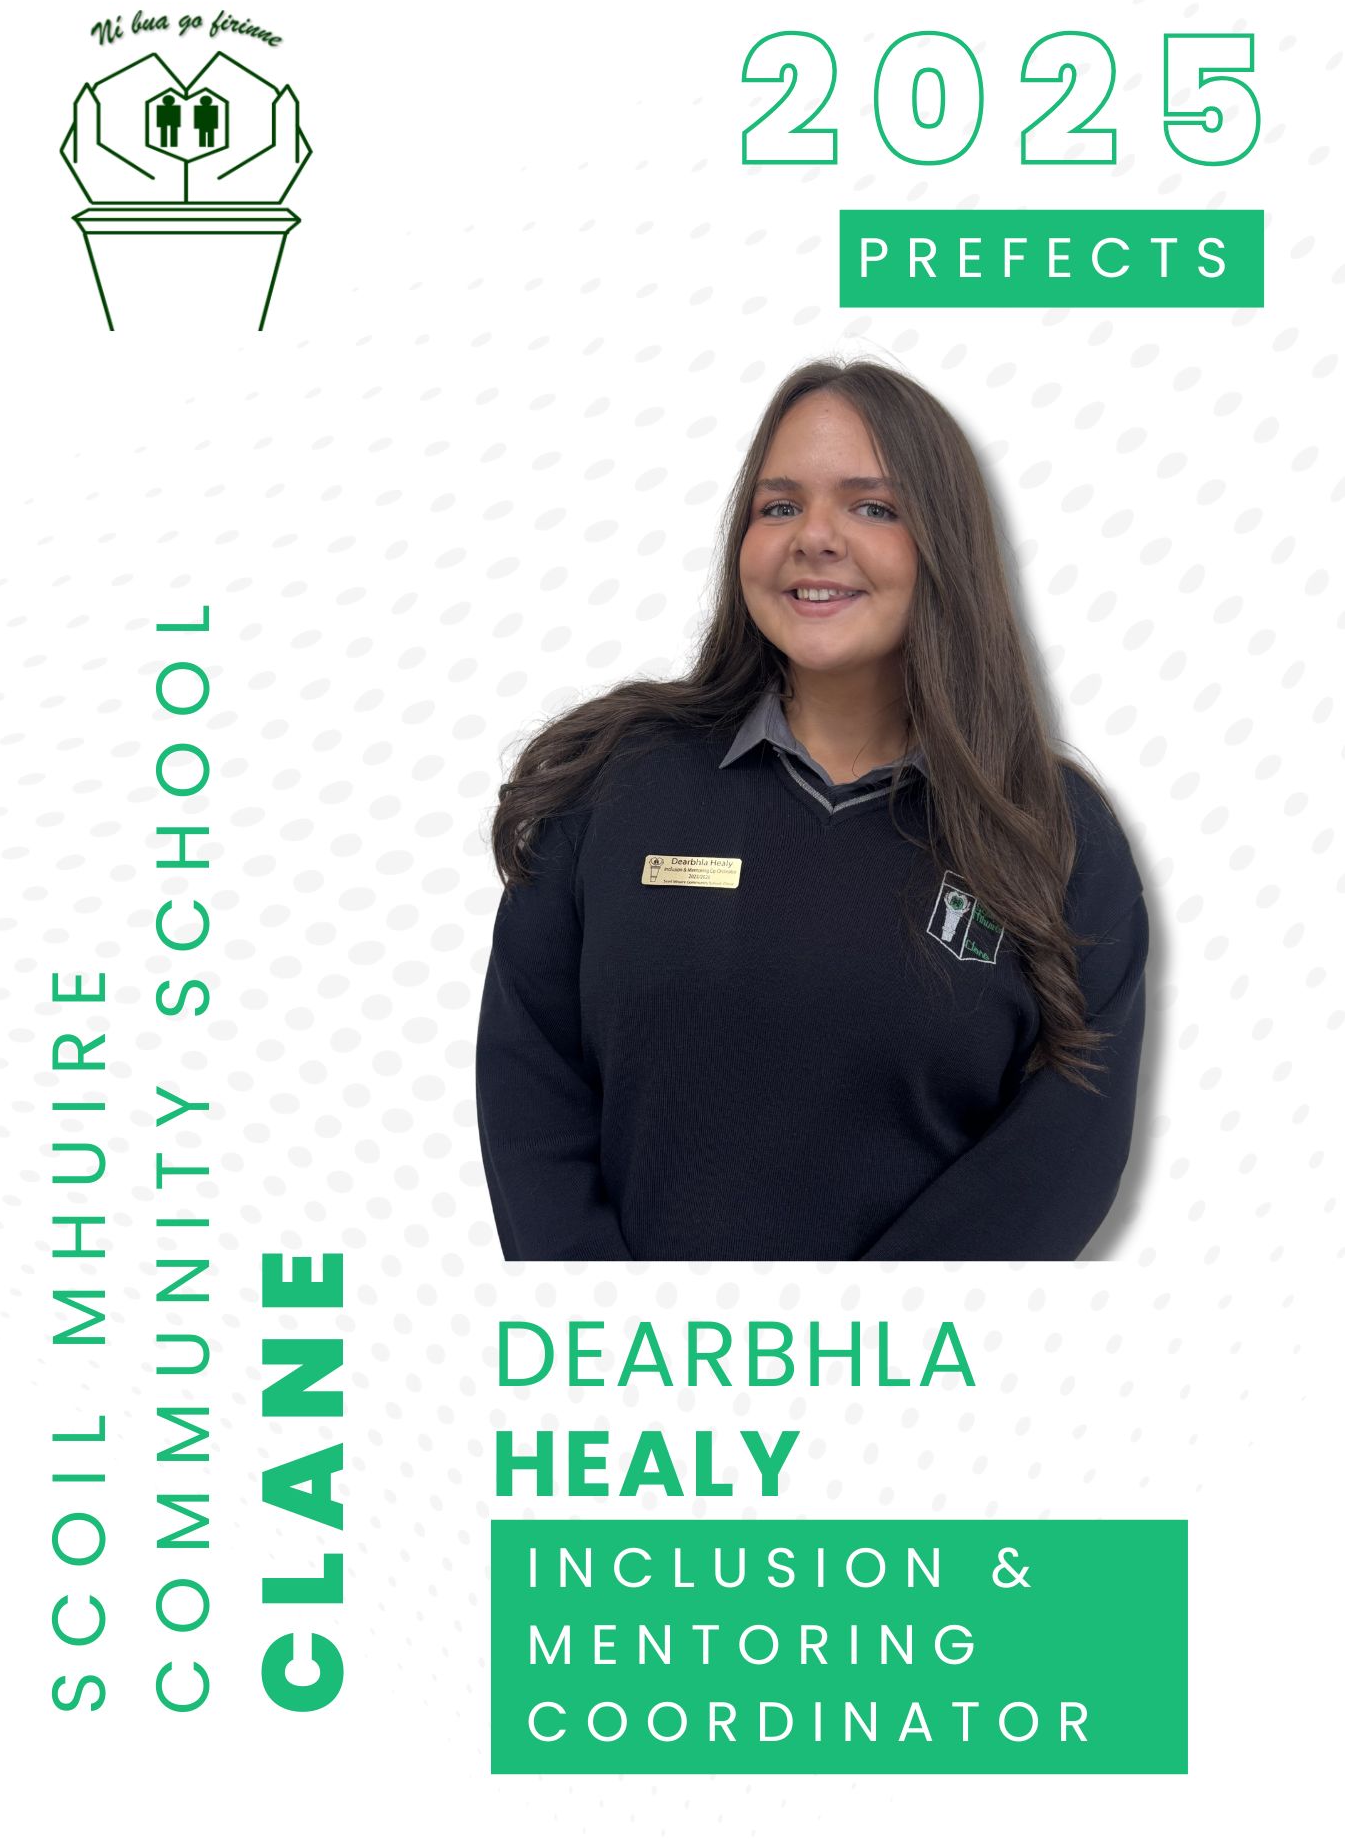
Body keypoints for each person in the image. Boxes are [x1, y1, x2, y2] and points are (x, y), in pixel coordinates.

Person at [475, 359, 1149, 1261]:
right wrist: (628, 1336)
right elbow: (531, 1087)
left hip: (916, 1381)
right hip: (644, 1373)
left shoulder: (1054, 831)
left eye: (872, 507)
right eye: (778, 505)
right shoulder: (611, 780)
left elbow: (1064, 1154)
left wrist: (857, 1356)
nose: (813, 537)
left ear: (943, 541)